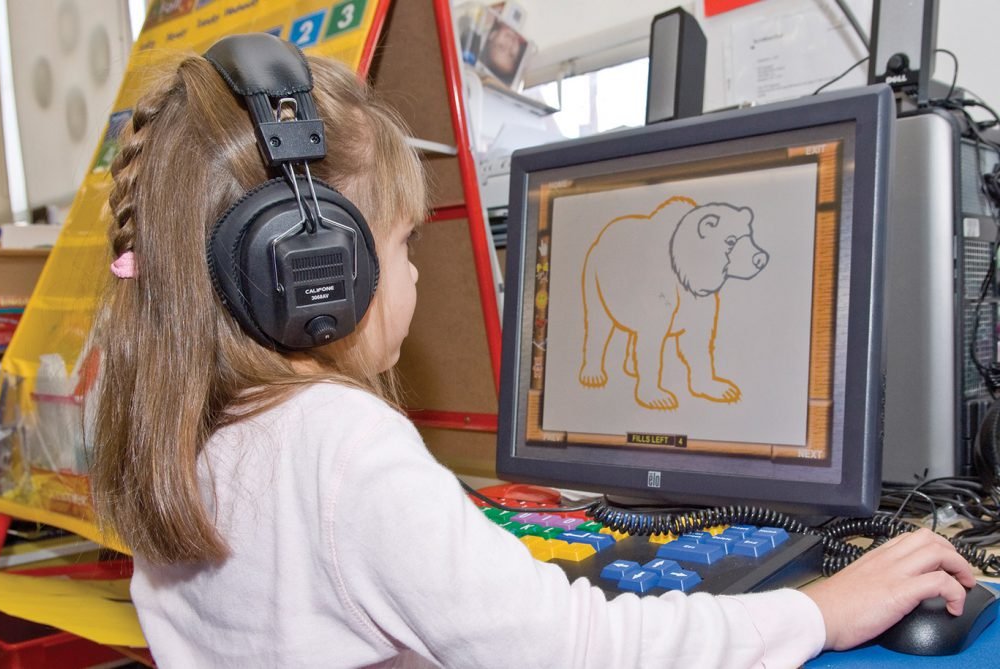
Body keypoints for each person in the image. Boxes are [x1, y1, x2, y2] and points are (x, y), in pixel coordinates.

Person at [89, 40, 978, 668]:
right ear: (316, 272)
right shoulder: (339, 446)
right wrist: (817, 612)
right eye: (403, 244)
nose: (414, 276)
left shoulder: (180, 434)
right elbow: (576, 648)